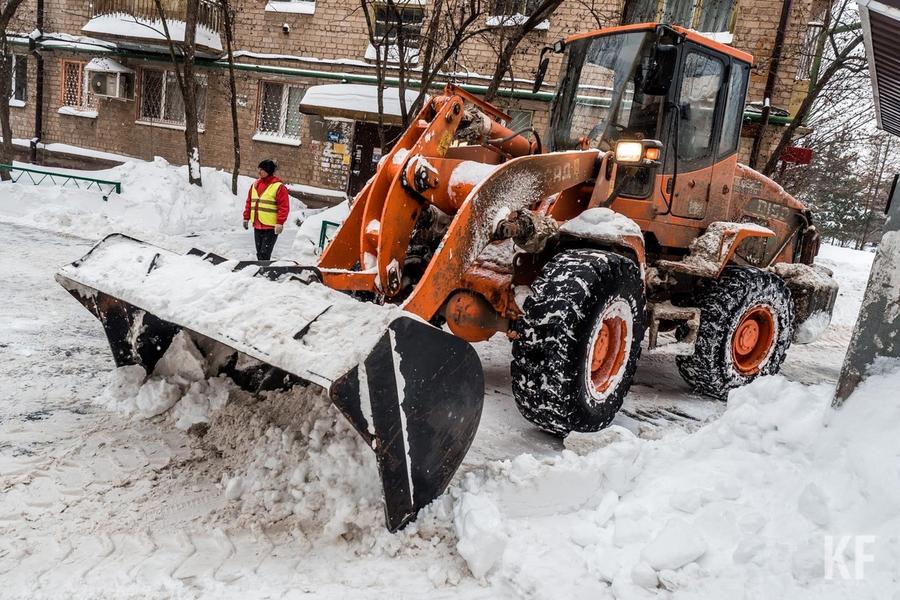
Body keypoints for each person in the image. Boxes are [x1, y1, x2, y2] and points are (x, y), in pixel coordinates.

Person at [243, 159, 290, 260]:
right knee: (259, 252)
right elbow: (249, 202)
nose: (259, 172)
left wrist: (280, 222)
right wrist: (246, 218)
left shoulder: (279, 187)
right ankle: (261, 271)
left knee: (265, 253)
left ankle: (264, 273)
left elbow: (284, 206)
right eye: (258, 169)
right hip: (257, 224)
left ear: (268, 171)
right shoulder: (255, 185)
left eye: (262, 170)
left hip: (270, 227)